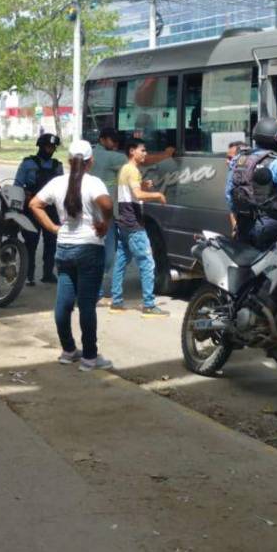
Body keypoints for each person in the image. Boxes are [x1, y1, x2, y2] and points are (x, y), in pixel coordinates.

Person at [28, 139, 114, 370]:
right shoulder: (93, 183)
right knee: (87, 304)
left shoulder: (56, 183)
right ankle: (89, 357)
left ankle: (67, 350)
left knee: (63, 303)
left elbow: (35, 204)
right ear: (90, 161)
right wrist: (104, 224)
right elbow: (106, 205)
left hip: (64, 247)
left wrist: (54, 228)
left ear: (68, 161)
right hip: (89, 247)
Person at [109, 139, 171, 317]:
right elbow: (137, 194)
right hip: (133, 222)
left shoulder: (125, 169)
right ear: (132, 151)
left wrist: (143, 186)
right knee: (147, 263)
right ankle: (149, 305)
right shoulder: (133, 170)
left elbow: (132, 191)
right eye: (142, 150)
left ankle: (117, 301)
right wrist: (157, 194)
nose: (145, 154)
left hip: (123, 219)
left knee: (121, 260)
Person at [226, 117, 277, 250]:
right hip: (272, 228)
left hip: (244, 224)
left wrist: (238, 218)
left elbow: (229, 195)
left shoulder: (238, 159)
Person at [16, 133, 63, 284]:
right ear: (41, 146)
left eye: (52, 147)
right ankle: (28, 275)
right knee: (31, 242)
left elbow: (61, 189)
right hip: (31, 207)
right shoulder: (28, 163)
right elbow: (17, 185)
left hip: (51, 208)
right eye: (48, 147)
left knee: (51, 242)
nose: (50, 150)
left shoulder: (57, 166)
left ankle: (48, 273)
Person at [91, 128, 128, 303]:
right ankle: (95, 291)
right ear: (103, 139)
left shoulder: (90, 155)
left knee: (95, 252)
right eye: (113, 141)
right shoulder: (115, 157)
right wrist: (166, 154)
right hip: (105, 214)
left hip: (89, 211)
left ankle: (92, 289)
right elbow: (137, 162)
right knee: (107, 255)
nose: (116, 144)